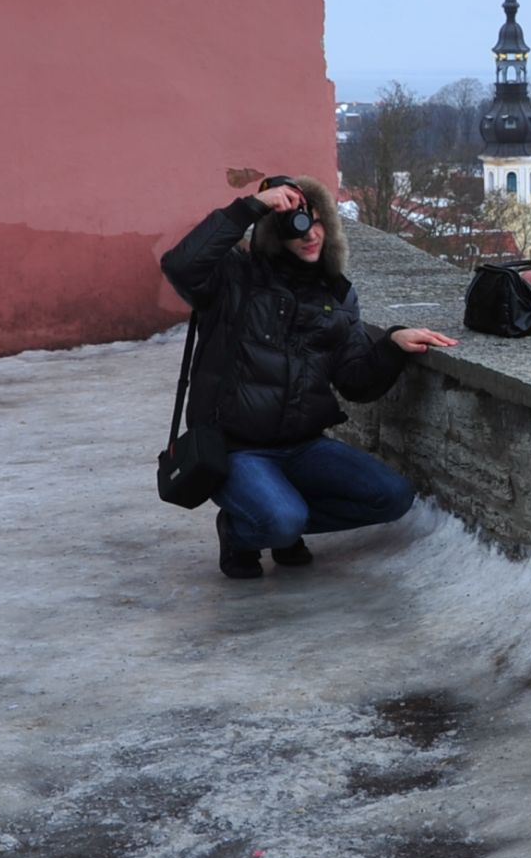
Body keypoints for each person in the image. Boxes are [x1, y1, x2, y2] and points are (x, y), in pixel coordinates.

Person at [159, 177, 456, 579]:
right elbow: (179, 264)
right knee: (283, 519)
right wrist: (251, 206)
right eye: (295, 226)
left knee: (393, 497)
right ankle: (242, 530)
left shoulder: (335, 295)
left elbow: (356, 382)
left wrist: (392, 344)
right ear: (273, 234)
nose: (309, 234)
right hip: (235, 449)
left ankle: (274, 525)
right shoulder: (236, 278)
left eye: (318, 223)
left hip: (303, 447)